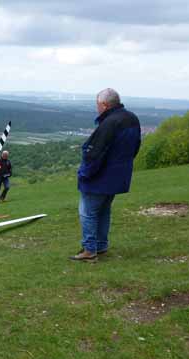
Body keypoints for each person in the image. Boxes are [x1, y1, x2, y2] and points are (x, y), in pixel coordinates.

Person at [70, 88, 141, 262]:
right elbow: (136, 147)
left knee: (87, 212)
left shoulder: (110, 123)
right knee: (103, 211)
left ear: (104, 104)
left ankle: (89, 249)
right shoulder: (132, 119)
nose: (97, 108)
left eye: (97, 105)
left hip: (101, 177)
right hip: (119, 176)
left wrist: (84, 174)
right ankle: (101, 246)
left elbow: (94, 154)